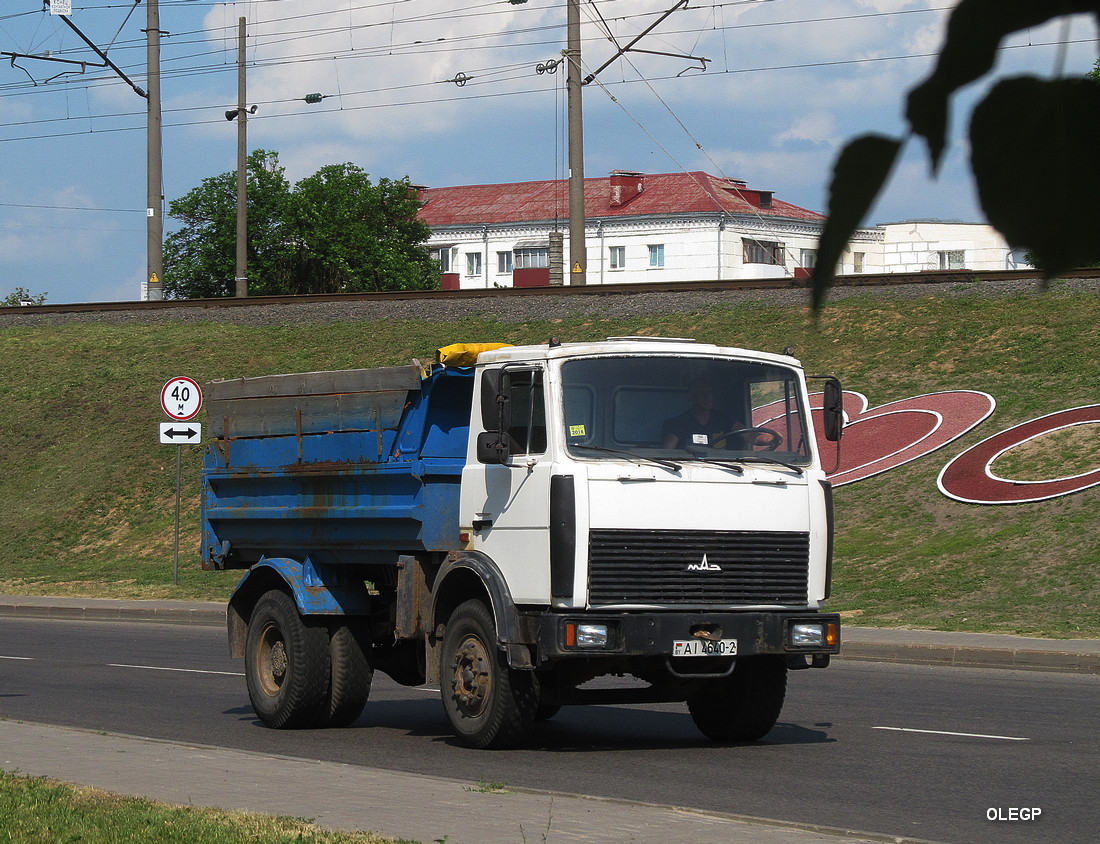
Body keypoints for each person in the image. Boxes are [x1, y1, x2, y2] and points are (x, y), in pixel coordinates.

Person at [661, 379, 738, 449]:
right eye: (702, 394)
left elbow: (746, 434)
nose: (708, 397)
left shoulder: (723, 418)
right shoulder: (679, 423)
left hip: (723, 462)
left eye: (709, 393)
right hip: (690, 464)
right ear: (691, 397)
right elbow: (667, 450)